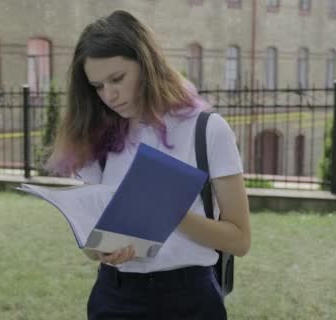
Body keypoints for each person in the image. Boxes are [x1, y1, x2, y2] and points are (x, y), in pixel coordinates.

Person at [46, 10, 251, 320]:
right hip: (115, 298)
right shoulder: (100, 137)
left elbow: (240, 240)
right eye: (97, 86)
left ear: (147, 64)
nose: (109, 95)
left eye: (117, 79)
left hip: (190, 299)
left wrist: (168, 211)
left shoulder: (207, 130)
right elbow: (92, 245)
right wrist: (103, 250)